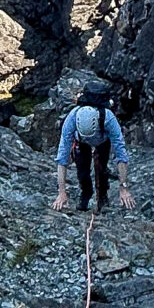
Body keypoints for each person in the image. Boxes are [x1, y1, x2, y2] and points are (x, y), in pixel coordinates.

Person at [52, 86, 133, 215]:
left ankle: (102, 197)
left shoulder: (109, 119)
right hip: (80, 142)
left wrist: (123, 188)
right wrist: (61, 193)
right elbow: (62, 158)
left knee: (102, 168)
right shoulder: (71, 120)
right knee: (82, 169)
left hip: (103, 140)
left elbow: (120, 154)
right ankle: (86, 194)